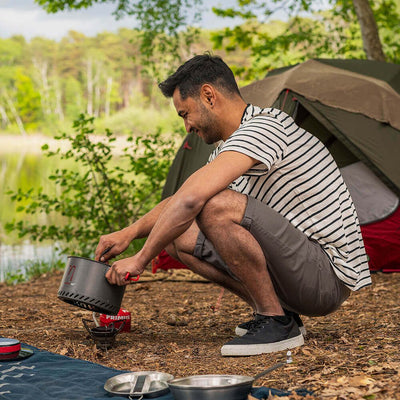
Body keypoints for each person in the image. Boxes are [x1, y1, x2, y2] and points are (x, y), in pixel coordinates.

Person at [95, 54, 371, 357]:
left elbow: (192, 199)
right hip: (299, 273)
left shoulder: (265, 127)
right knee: (177, 235)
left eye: (185, 114)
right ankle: (278, 313)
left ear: (209, 96)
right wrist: (128, 232)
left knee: (214, 204)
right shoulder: (231, 147)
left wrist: (141, 258)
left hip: (324, 278)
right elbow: (181, 198)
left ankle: (274, 320)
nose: (187, 126)